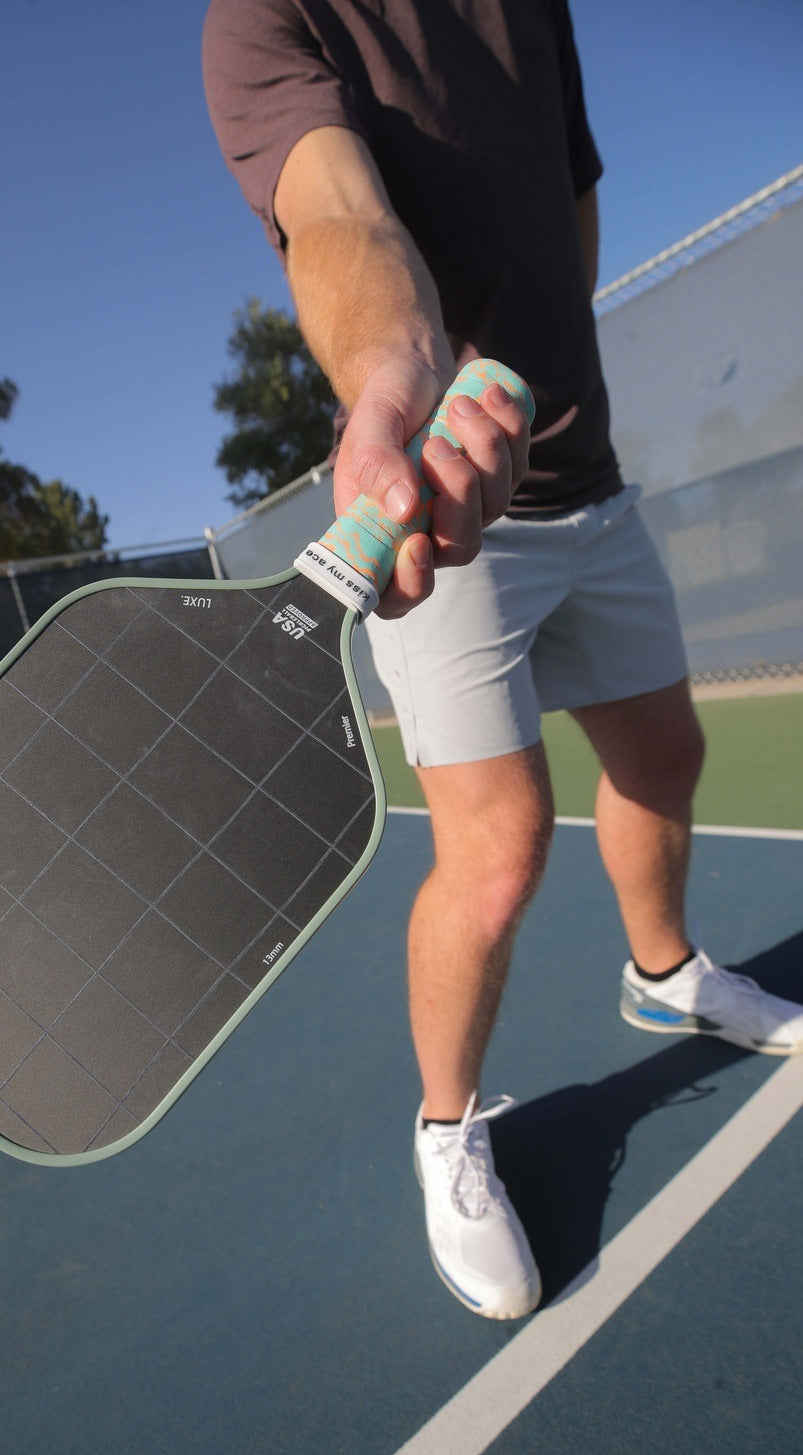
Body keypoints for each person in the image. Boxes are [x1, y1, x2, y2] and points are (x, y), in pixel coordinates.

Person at [202, 0, 803, 1319]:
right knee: (500, 848)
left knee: (667, 752)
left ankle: (667, 976)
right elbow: (339, 219)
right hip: (443, 511)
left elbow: (567, 200)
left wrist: (544, 372)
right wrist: (398, 374)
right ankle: (446, 1128)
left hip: (590, 483)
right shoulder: (264, 19)